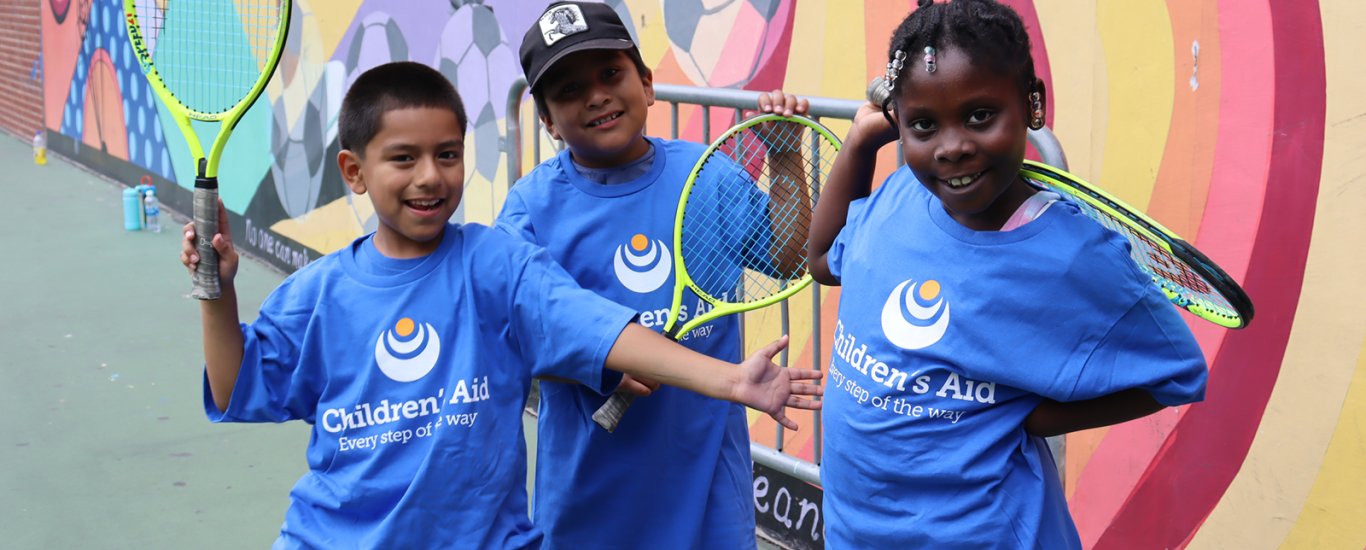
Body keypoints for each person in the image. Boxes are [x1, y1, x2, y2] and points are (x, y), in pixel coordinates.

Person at [179, 61, 822, 549]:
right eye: (403, 159)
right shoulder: (317, 295)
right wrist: (219, 293)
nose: (430, 176)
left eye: (448, 155)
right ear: (354, 171)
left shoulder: (497, 265)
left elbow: (599, 331)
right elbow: (237, 388)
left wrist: (731, 379)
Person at [805, 0, 1209, 547]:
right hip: (859, 531)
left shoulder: (1071, 254)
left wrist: (1033, 418)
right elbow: (825, 259)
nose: (953, 147)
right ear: (897, 122)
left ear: (1032, 105)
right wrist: (859, 143)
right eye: (924, 125)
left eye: (979, 116)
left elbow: (1177, 373)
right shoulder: (900, 194)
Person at [495, 3, 813, 548]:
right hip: (588, 500)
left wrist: (785, 162)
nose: (595, 95)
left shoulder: (707, 175)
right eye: (569, 90)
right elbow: (515, 333)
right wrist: (591, 365)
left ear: (646, 84)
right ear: (546, 120)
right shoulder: (530, 208)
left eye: (610, 74)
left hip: (710, 492)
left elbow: (789, 257)